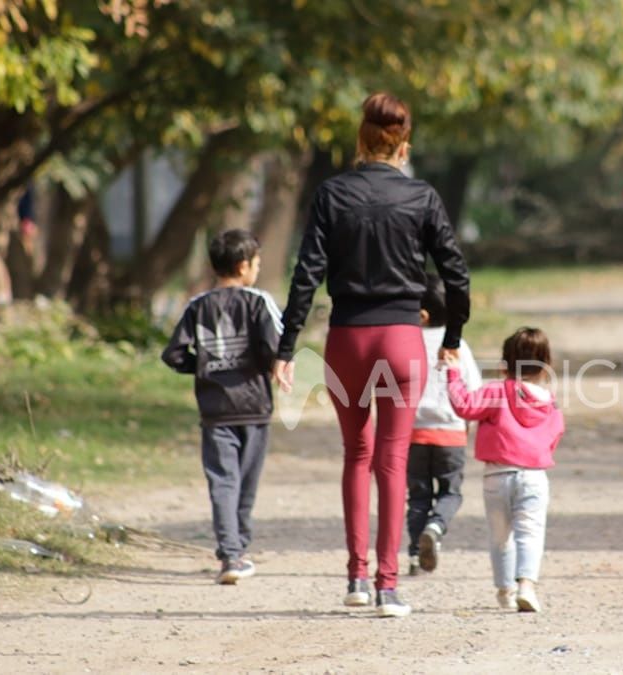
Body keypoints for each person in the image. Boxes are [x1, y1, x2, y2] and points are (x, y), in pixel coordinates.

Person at [272, 92, 470, 618]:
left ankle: (356, 577)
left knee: (356, 456)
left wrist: (287, 346)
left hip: (348, 339)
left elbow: (306, 274)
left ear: (361, 138)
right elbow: (456, 274)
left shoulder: (332, 194)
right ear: (404, 144)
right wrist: (452, 338)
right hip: (403, 339)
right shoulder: (423, 197)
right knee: (393, 460)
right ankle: (388, 587)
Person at [161, 229, 283, 585]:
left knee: (222, 482)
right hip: (254, 406)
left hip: (215, 410)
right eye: (257, 264)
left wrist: (202, 367)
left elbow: (173, 354)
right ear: (244, 266)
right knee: (246, 482)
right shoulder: (259, 301)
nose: (257, 270)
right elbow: (276, 347)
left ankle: (230, 555)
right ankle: (237, 548)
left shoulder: (197, 306)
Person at [446, 327, 565, 613]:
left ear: (504, 364)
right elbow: (556, 433)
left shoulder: (496, 391)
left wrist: (452, 374)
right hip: (535, 476)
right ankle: (526, 585)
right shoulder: (550, 402)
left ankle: (504, 588)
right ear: (546, 365)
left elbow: (464, 405)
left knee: (500, 536)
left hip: (496, 475)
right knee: (530, 533)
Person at [406, 274, 482, 576]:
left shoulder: (406, 344)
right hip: (451, 433)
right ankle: (436, 526)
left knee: (418, 496)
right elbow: (473, 390)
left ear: (421, 314)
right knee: (451, 492)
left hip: (413, 434)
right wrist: (469, 427)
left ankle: (414, 554)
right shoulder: (458, 346)